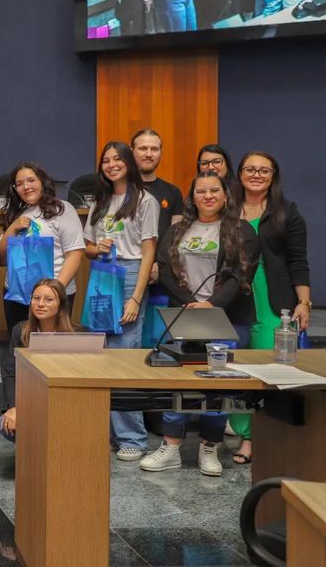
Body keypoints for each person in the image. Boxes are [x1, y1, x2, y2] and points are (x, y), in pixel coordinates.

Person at [142, 172, 259, 475]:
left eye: (214, 190)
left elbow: (241, 274)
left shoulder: (241, 230)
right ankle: (170, 446)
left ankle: (210, 447)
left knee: (218, 385)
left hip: (226, 317)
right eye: (201, 191)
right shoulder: (179, 229)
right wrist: (188, 303)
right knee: (177, 381)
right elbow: (165, 269)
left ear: (225, 195)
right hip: (185, 313)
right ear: (192, 196)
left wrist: (210, 304)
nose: (207, 196)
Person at [229, 152, 312, 464]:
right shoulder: (227, 208)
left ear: (273, 175)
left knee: (266, 368)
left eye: (264, 170)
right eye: (250, 169)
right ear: (239, 174)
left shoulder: (286, 212)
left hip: (274, 298)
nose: (256, 174)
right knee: (234, 367)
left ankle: (252, 441)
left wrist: (303, 302)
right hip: (234, 294)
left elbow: (298, 261)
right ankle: (239, 429)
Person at [84, 141, 159, 462]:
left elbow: (149, 253)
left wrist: (135, 298)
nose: (111, 164)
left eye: (117, 159)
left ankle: (134, 437)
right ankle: (112, 432)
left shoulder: (145, 200)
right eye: (106, 160)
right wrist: (96, 248)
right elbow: (86, 246)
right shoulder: (101, 201)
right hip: (101, 275)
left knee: (124, 357)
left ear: (128, 162)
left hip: (129, 276)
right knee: (101, 355)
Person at [0, 162, 85, 331]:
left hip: (53, 295)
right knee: (20, 347)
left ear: (43, 182)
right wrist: (12, 228)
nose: (26, 187)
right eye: (19, 184)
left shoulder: (62, 209)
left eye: (31, 180)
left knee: (51, 351)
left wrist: (54, 291)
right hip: (17, 295)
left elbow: (75, 254)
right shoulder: (16, 213)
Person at [0, 279, 78, 442]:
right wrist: (14, 408)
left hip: (65, 403)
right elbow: (10, 373)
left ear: (61, 304)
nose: (40, 304)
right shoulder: (20, 330)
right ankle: (33, 460)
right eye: (36, 298)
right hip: (31, 401)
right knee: (5, 424)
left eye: (48, 300)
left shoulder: (77, 334)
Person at [132, 129, 184, 247]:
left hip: (160, 263)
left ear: (161, 152)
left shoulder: (173, 192)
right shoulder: (120, 189)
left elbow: (176, 237)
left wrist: (162, 263)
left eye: (154, 149)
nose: (149, 154)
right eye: (143, 148)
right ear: (132, 152)